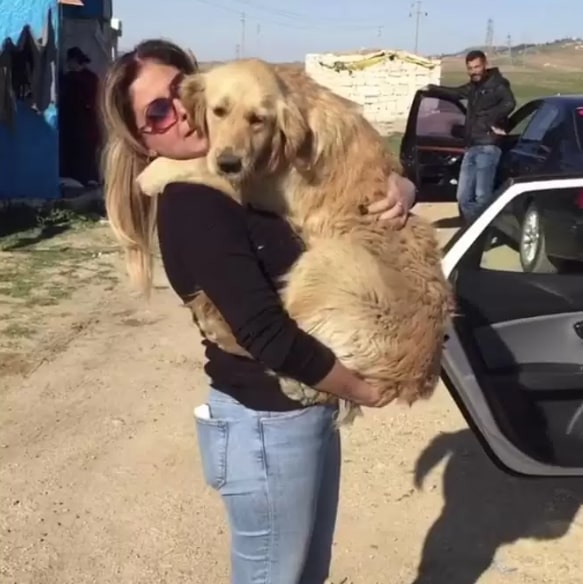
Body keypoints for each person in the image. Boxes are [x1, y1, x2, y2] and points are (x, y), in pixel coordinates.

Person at [101, 39, 417, 584]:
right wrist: (364, 390)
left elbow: (328, 205)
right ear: (140, 134)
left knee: (303, 575)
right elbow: (264, 333)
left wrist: (401, 187)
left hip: (298, 413)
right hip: (266, 425)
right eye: (156, 111)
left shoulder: (240, 182)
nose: (179, 112)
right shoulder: (195, 200)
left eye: (180, 93)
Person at [428, 49, 516, 223]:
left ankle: (482, 231)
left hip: (489, 146)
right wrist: (431, 89)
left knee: (482, 196)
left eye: (477, 67)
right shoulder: (474, 87)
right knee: (463, 197)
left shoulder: (498, 84)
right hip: (471, 146)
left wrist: (489, 121)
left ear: (485, 64)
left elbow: (509, 103)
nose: (474, 71)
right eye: (470, 68)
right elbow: (455, 93)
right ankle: (478, 229)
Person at [59, 46, 101, 185]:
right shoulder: (90, 77)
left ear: (74, 61)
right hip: (83, 123)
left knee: (81, 152)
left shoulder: (74, 79)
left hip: (80, 123)